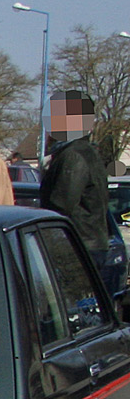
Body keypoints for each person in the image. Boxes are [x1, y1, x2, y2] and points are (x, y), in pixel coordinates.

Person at [42, 90, 111, 272]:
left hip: (78, 247)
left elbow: (61, 206)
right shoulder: (86, 151)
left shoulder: (73, 155)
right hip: (90, 243)